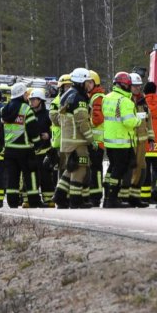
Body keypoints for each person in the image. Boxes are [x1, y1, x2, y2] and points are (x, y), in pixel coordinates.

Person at [52, 68, 96, 208]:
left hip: (66, 140)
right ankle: (76, 201)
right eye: (87, 82)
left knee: (70, 168)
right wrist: (91, 140)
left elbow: (58, 119)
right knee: (80, 168)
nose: (89, 85)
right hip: (77, 141)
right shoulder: (80, 99)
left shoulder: (67, 95)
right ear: (80, 82)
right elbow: (82, 122)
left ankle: (59, 196)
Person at [101, 72, 141, 208]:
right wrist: (139, 120)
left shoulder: (106, 98)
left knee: (112, 168)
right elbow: (129, 122)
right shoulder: (125, 101)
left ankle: (107, 197)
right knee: (119, 170)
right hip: (122, 141)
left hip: (109, 141)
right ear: (125, 85)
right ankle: (112, 198)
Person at [1, 83, 44, 208]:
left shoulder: (5, 109)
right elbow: (33, 130)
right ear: (21, 94)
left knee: (12, 177)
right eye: (25, 93)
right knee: (31, 175)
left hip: (9, 150)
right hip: (25, 150)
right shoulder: (26, 109)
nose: (27, 96)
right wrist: (38, 143)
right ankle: (34, 201)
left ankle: (12, 202)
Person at [127, 73, 154, 207]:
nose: (138, 89)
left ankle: (135, 197)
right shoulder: (127, 101)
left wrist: (151, 138)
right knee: (131, 169)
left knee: (141, 169)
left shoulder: (143, 102)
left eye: (139, 86)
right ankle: (127, 196)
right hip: (130, 141)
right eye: (135, 86)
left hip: (142, 141)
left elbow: (148, 121)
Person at [29, 88, 55, 206]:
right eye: (31, 99)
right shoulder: (29, 114)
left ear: (41, 101)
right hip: (31, 150)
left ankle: (48, 199)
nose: (32, 102)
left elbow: (55, 130)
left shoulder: (47, 115)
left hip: (45, 151)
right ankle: (31, 199)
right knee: (32, 176)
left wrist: (48, 135)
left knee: (46, 177)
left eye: (34, 99)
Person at [85, 70, 107, 206]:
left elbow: (97, 119)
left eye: (89, 82)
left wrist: (86, 121)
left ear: (95, 83)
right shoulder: (92, 96)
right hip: (94, 140)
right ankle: (93, 195)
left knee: (96, 169)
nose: (87, 85)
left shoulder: (97, 97)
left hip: (97, 141)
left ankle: (96, 196)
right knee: (93, 168)